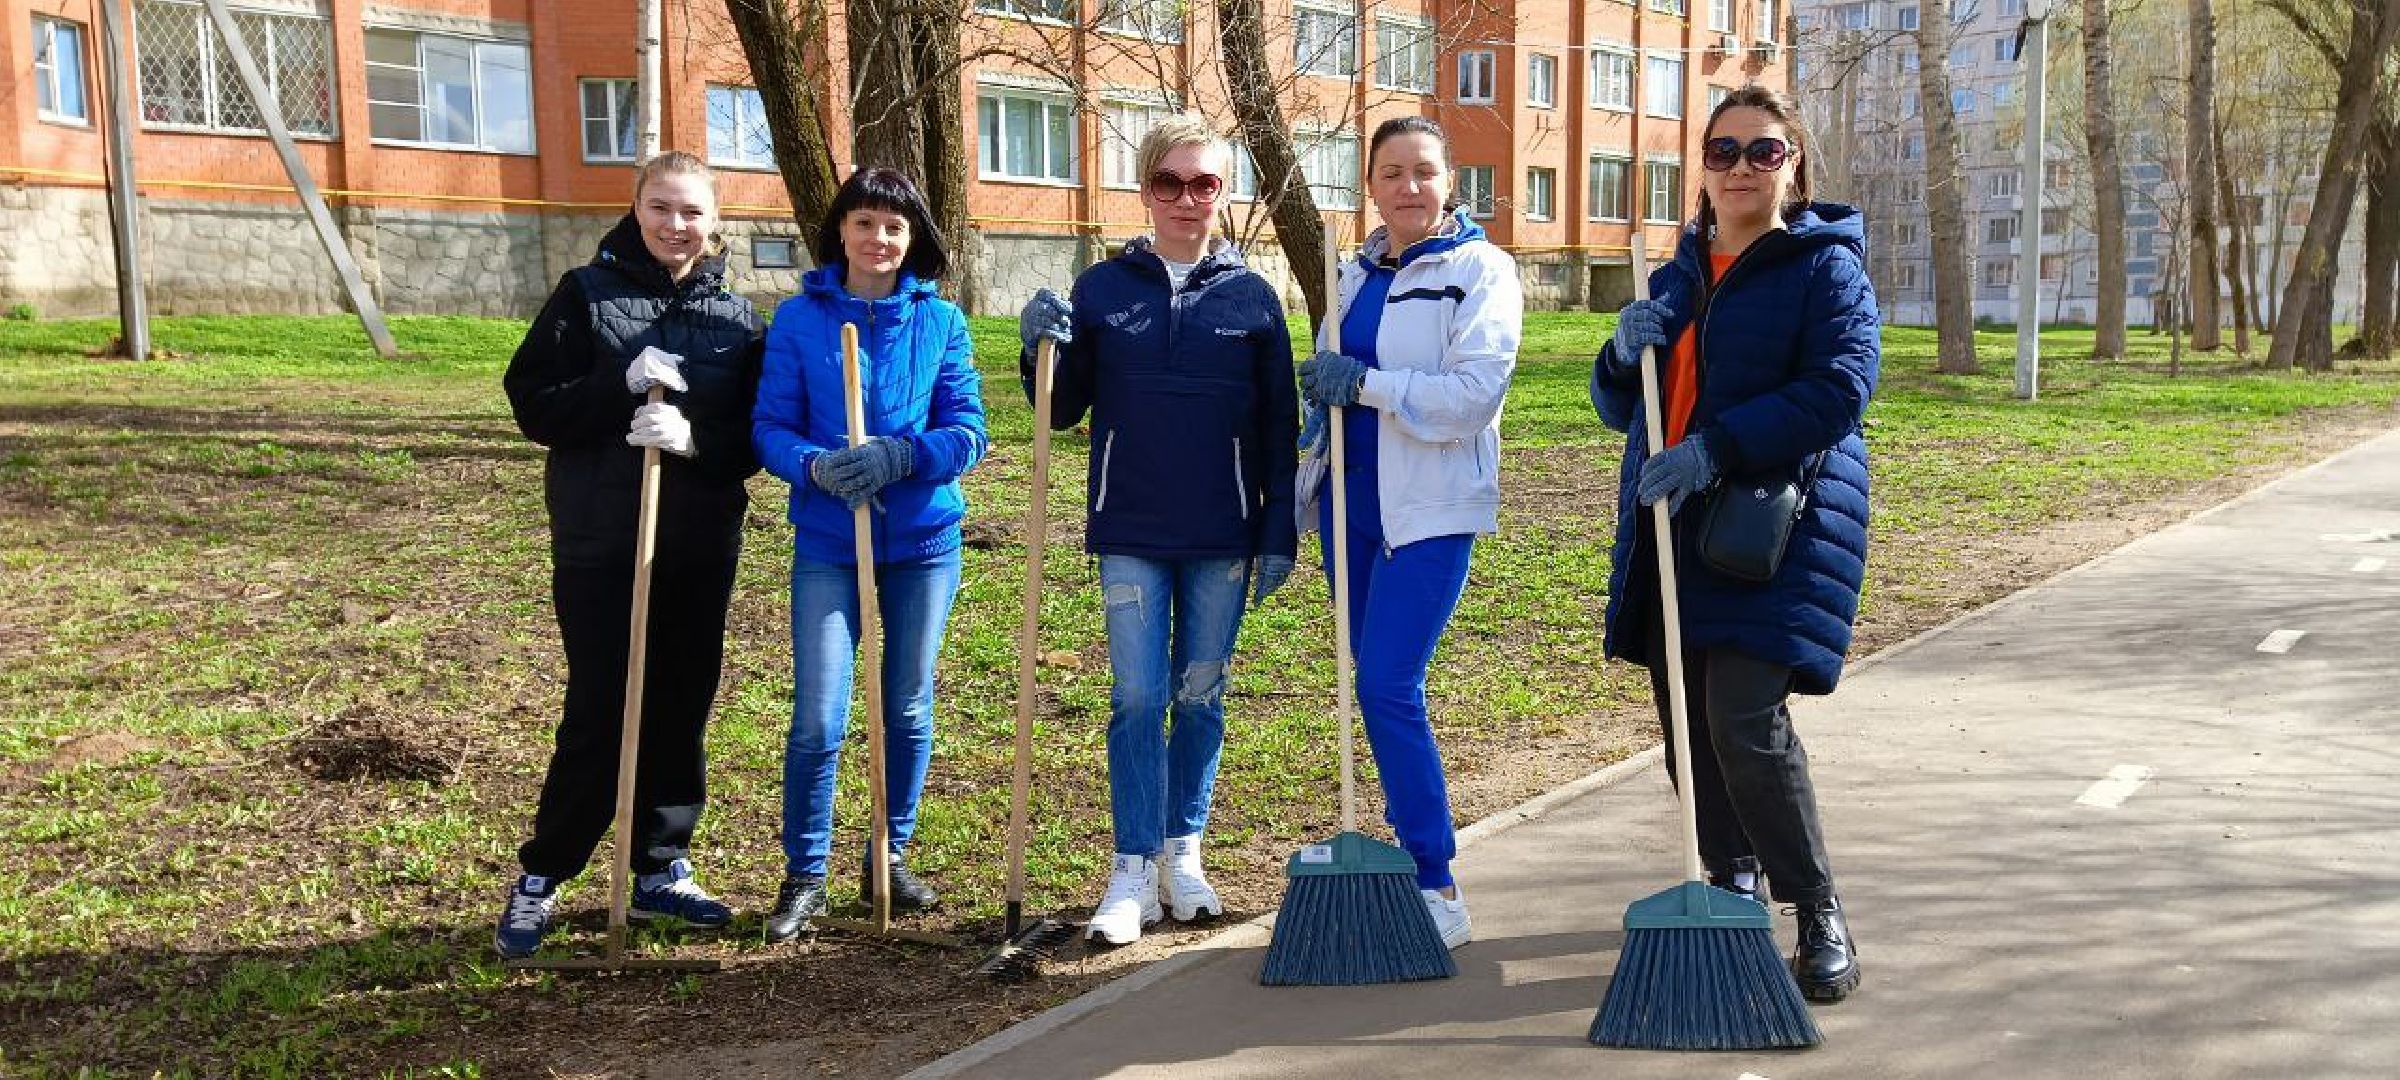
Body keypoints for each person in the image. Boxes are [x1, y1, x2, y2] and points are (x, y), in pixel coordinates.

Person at [1590, 85, 1877, 1002]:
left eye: (1764, 150)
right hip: (1671, 524)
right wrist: (1616, 355)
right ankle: (1732, 878)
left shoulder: (1824, 268)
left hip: (1772, 525)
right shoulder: (1675, 273)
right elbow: (1625, 404)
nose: (1742, 167)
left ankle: (1817, 907)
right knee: (1686, 723)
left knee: (1743, 720)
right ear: (1703, 167)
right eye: (1724, 151)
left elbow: (1840, 388)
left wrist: (1716, 447)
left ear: (1794, 164)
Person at [1018, 116, 1300, 945]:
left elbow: (1279, 427)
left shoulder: (1254, 299)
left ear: (1224, 193)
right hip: (1132, 528)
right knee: (1138, 697)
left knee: (1201, 695)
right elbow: (1061, 409)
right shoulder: (1104, 290)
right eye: (1168, 182)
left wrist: (1278, 531)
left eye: (1203, 183)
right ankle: (1132, 870)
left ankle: (1185, 854)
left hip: (1224, 534)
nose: (1186, 198)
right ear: (1144, 190)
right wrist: (1038, 351)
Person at [495, 151, 763, 958]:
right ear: (636, 208)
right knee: (602, 706)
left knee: (680, 705)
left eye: (691, 211)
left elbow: (754, 440)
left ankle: (659, 867)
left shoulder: (740, 320)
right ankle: (544, 873)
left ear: (715, 221)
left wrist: (692, 438)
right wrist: (617, 383)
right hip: (601, 538)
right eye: (661, 207)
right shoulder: (585, 294)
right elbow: (533, 404)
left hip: (698, 542)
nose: (675, 225)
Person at [1292, 115, 1522, 950]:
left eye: (1423, 171)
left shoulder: (1479, 271)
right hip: (1349, 508)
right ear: (1372, 187)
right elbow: (1333, 395)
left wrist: (1366, 384)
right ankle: (1401, 858)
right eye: (1391, 173)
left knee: (1390, 683)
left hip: (1430, 509)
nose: (1409, 187)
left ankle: (1437, 880)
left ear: (1449, 182)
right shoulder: (1353, 273)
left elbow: (1473, 398)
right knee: (1372, 684)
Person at [753, 168, 988, 943]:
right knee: (819, 715)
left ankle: (888, 855)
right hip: (829, 543)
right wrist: (814, 466)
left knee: (908, 704)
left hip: (923, 545)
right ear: (841, 231)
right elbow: (770, 427)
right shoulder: (800, 320)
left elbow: (970, 431)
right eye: (864, 222)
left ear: (912, 237)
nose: (878, 238)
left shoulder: (940, 322)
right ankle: (805, 874)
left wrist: (904, 455)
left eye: (893, 225)